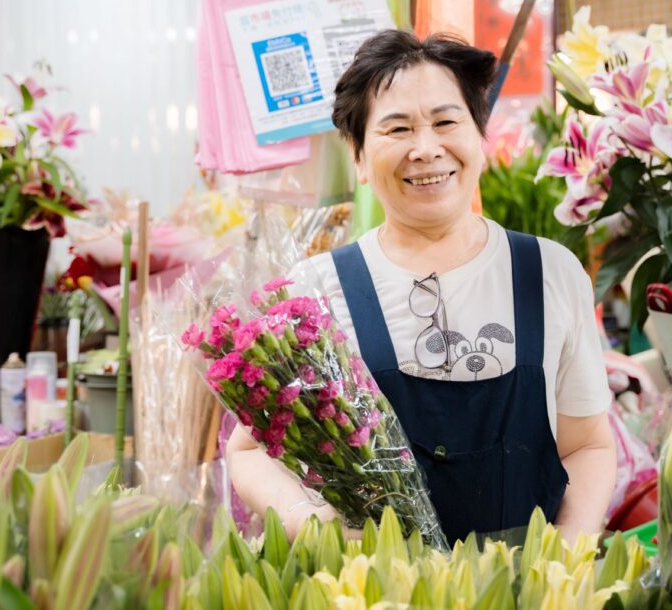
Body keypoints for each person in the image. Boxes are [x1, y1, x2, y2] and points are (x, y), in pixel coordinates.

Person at [227, 30, 616, 544]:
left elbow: (586, 445)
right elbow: (250, 451)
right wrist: (311, 524)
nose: (426, 149)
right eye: (398, 129)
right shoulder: (317, 290)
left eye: (446, 122)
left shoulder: (549, 272)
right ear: (358, 156)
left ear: (479, 138)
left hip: (531, 580)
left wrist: (568, 547)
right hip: (370, 580)